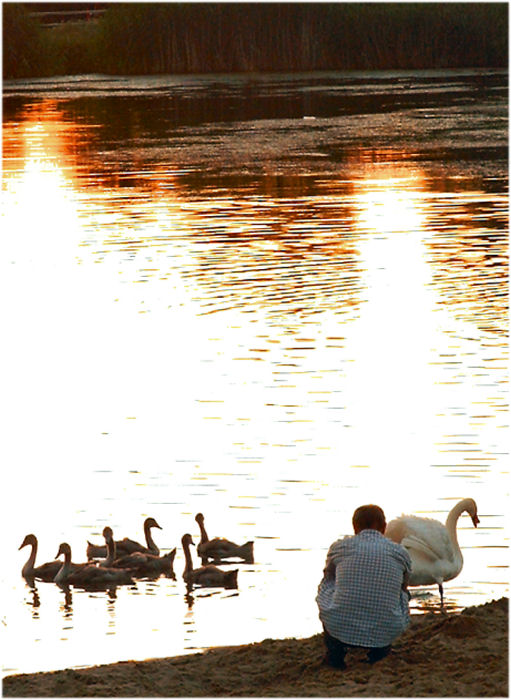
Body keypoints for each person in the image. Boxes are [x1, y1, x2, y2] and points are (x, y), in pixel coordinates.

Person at [316, 504, 412, 669]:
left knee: (327, 585)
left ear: (355, 527)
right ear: (384, 527)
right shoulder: (400, 552)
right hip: (386, 630)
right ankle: (379, 651)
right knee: (402, 594)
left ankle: (335, 653)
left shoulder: (339, 547)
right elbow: (404, 585)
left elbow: (328, 575)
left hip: (340, 626)